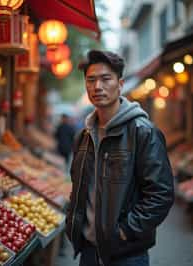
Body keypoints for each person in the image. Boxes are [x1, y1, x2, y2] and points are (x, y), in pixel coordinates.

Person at [66, 50, 174, 266]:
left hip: (126, 254)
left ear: (120, 83)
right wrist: (73, 224)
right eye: (91, 80)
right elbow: (78, 187)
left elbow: (161, 194)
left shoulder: (143, 132)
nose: (98, 87)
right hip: (88, 252)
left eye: (106, 79)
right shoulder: (84, 136)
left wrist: (124, 232)